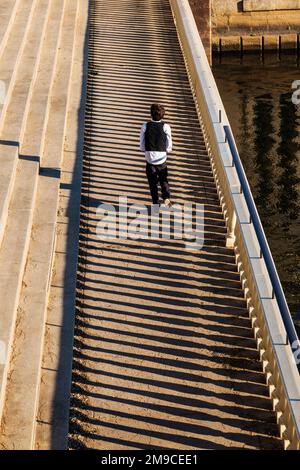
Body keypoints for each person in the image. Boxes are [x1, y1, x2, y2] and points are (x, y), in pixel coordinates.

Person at [140, 103, 172, 207]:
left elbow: (142, 143)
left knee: (152, 184)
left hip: (150, 160)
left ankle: (155, 205)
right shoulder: (166, 126)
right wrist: (167, 149)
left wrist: (145, 150)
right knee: (163, 179)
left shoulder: (145, 126)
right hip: (162, 159)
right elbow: (169, 142)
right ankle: (166, 197)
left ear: (151, 114)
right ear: (163, 115)